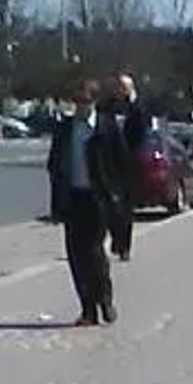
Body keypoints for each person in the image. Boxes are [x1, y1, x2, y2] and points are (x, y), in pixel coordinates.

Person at [46, 81, 133, 327]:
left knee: (95, 253)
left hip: (98, 199)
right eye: (77, 102)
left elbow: (122, 162)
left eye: (85, 102)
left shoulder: (106, 128)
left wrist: (119, 195)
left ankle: (105, 301)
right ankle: (87, 309)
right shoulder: (66, 129)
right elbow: (54, 164)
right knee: (76, 256)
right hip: (73, 198)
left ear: (94, 102)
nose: (81, 107)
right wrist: (57, 198)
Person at [106, 74, 148, 262]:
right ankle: (116, 239)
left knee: (126, 207)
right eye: (118, 86)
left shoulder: (136, 108)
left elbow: (141, 131)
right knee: (110, 206)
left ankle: (124, 247)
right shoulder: (109, 107)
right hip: (110, 161)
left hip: (129, 162)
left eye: (123, 87)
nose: (119, 90)